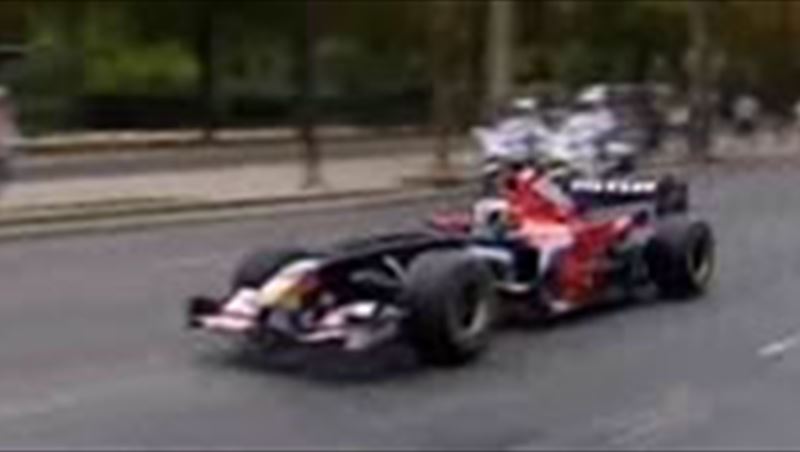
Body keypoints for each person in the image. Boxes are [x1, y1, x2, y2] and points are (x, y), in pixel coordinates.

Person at [0, 86, 18, 186]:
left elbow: (12, 117)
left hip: (5, 137)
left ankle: (6, 177)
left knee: (4, 158)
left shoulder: (8, 109)